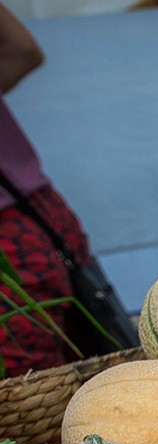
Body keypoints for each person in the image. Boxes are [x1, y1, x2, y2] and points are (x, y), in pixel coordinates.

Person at [0, 3, 93, 375]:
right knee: (82, 377)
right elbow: (22, 52)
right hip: (38, 211)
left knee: (32, 396)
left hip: (15, 235)